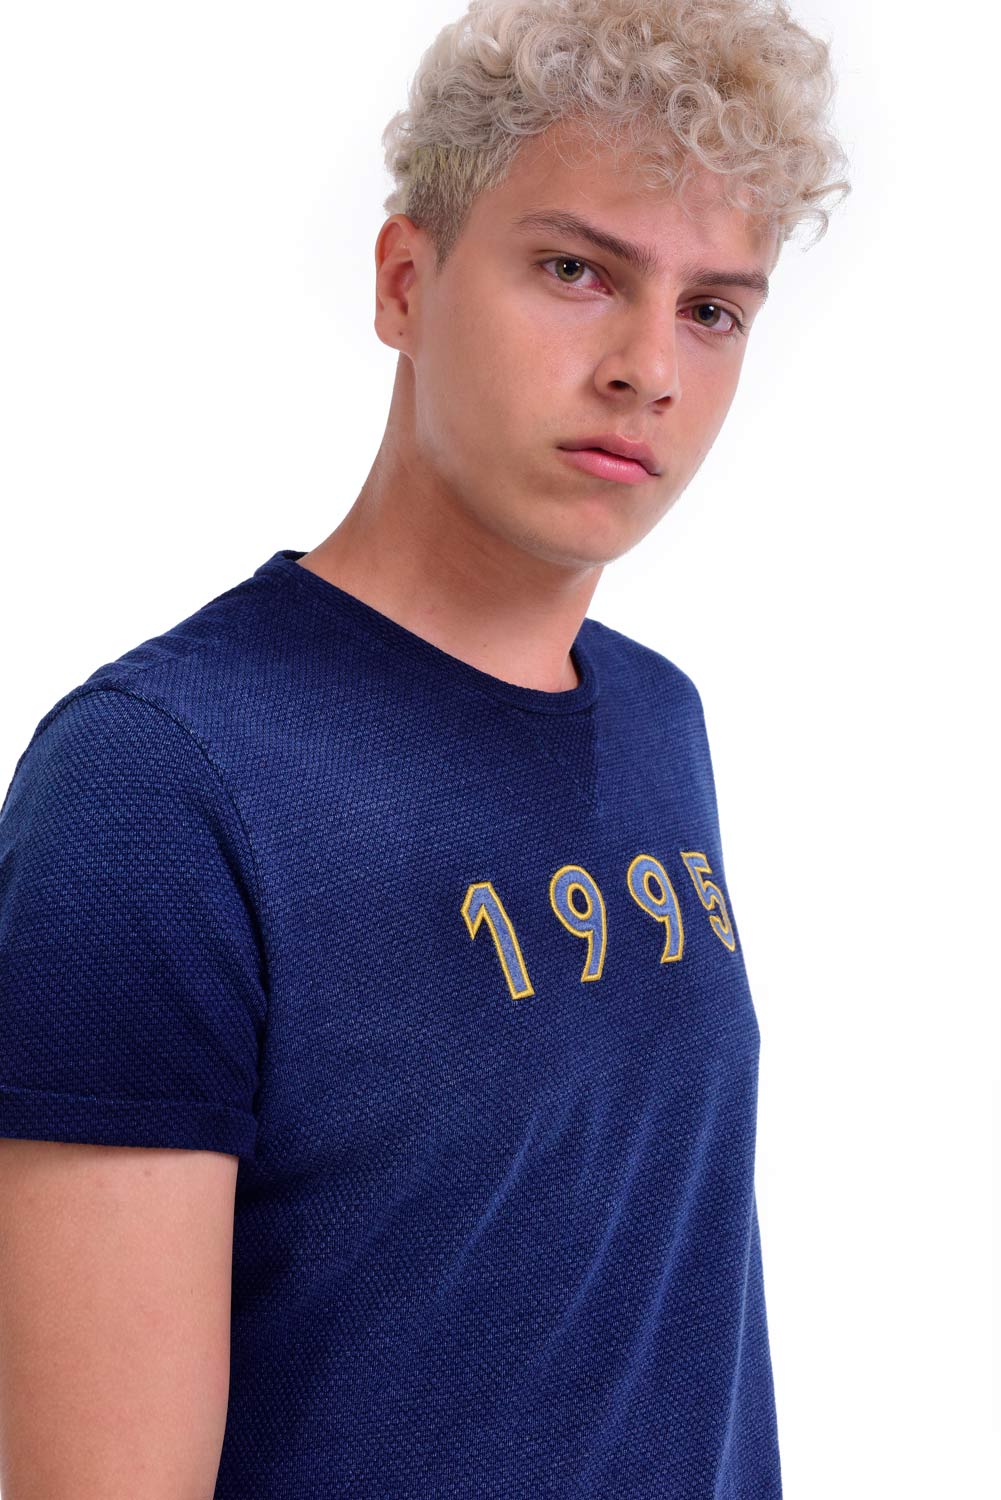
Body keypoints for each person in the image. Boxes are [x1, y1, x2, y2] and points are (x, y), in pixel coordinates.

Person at [0, 0, 850, 1494]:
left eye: (714, 309)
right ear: (406, 279)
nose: (647, 367)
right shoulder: (159, 787)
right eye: (577, 270)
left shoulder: (660, 720)